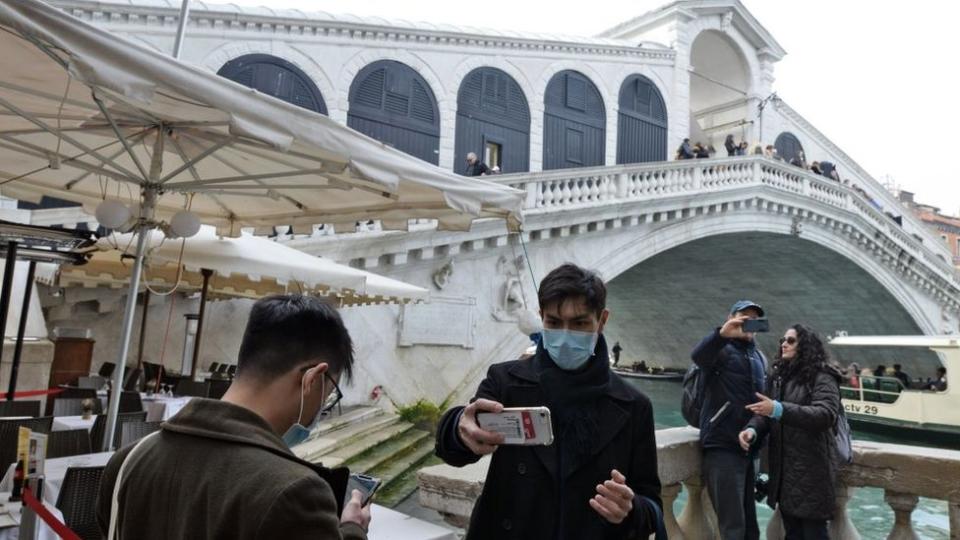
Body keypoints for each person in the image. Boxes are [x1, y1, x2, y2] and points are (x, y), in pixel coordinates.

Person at [96, 295, 371, 540]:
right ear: (312, 378)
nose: (322, 407)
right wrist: (352, 531)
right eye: (329, 392)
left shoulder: (128, 460)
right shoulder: (294, 491)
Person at [435, 264, 663, 539]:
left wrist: (630, 509)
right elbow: (456, 450)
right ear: (541, 317)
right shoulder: (505, 381)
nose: (565, 335)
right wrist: (459, 427)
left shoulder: (634, 405)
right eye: (554, 323)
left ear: (602, 320)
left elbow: (651, 505)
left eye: (579, 323)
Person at [739, 324, 842, 540]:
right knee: (793, 534)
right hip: (785, 475)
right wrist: (752, 430)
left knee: (813, 534)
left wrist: (779, 409)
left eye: (791, 340)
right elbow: (766, 413)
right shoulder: (780, 376)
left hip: (812, 472)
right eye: (782, 340)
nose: (784, 344)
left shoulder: (823, 375)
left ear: (805, 345)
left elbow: (825, 414)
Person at [690, 300, 767, 540]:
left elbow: (761, 403)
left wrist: (754, 430)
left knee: (750, 526)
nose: (748, 323)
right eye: (744, 317)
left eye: (753, 319)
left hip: (749, 449)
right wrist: (722, 334)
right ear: (731, 318)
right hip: (722, 447)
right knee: (732, 526)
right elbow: (698, 356)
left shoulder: (759, 358)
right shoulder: (720, 350)